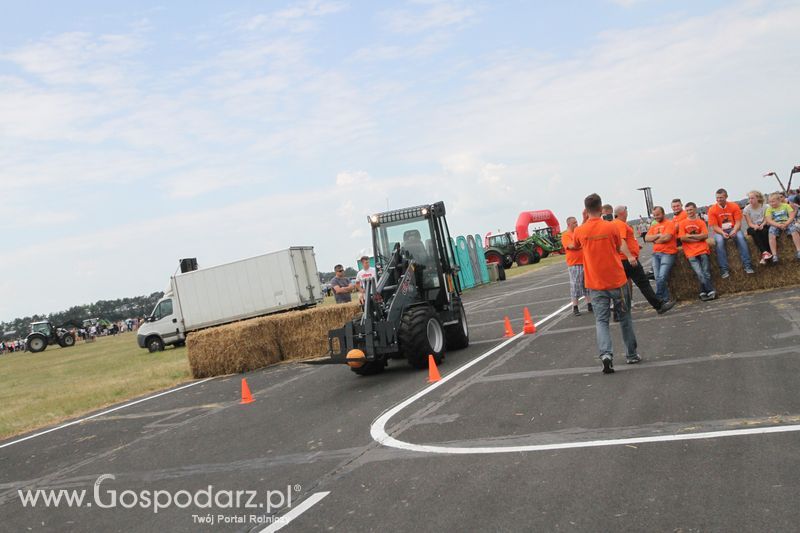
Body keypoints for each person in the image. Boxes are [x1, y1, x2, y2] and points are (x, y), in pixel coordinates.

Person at [574, 193, 640, 373]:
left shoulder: (581, 230)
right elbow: (619, 245)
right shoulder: (611, 227)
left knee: (601, 321)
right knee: (625, 318)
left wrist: (583, 221)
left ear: (586, 210)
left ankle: (606, 355)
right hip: (617, 280)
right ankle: (631, 354)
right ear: (601, 207)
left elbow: (575, 244)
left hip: (595, 283)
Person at [610, 205, 674, 315]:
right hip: (627, 260)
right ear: (622, 213)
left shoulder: (615, 224)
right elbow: (621, 241)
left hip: (622, 259)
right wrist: (630, 256)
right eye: (626, 210)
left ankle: (617, 313)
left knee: (620, 287)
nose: (627, 212)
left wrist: (634, 247)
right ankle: (659, 306)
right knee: (643, 284)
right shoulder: (619, 224)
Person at [707, 188, 754, 278]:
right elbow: (715, 227)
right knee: (720, 242)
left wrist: (734, 230)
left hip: (733, 228)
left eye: (721, 197)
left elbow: (738, 222)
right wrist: (722, 233)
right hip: (720, 231)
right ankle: (724, 269)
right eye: (717, 197)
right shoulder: (712, 209)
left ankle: (747, 265)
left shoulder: (734, 206)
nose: (719, 199)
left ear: (726, 197)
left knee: (741, 238)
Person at [677, 202, 716, 301]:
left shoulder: (701, 222)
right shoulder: (683, 223)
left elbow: (705, 236)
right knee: (699, 272)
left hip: (703, 250)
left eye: (691, 209)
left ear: (695, 209)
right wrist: (698, 238)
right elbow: (682, 238)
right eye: (687, 210)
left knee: (706, 272)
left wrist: (691, 236)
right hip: (691, 253)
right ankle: (710, 290)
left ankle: (703, 292)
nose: (689, 212)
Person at [645, 206, 678, 304]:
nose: (656, 217)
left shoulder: (670, 224)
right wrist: (658, 236)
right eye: (654, 215)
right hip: (656, 254)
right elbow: (646, 238)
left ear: (663, 213)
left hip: (667, 253)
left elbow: (667, 238)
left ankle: (658, 298)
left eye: (658, 215)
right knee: (657, 276)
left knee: (662, 276)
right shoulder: (654, 226)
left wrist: (655, 240)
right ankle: (665, 299)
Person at [562, 216, 592, 316]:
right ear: (569, 224)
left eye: (576, 222)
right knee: (575, 285)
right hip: (574, 264)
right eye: (574, 223)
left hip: (584, 262)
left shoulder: (578, 233)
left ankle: (590, 304)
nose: (576, 224)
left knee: (587, 285)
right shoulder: (566, 235)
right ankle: (575, 307)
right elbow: (571, 246)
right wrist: (581, 244)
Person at [764, 192, 800, 263]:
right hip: (775, 224)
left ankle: (799, 250)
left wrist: (786, 223)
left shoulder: (786, 206)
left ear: (779, 200)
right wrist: (778, 225)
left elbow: (791, 216)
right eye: (770, 202)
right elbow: (769, 220)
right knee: (771, 234)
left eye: (773, 201)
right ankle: (774, 255)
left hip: (787, 222)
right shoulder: (769, 209)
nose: (771, 203)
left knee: (794, 230)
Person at [743, 190, 771, 264]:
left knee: (765, 231)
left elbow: (767, 219)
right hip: (753, 226)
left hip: (764, 224)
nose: (750, 200)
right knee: (754, 232)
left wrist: (762, 225)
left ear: (758, 198)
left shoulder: (766, 206)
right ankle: (765, 252)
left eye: (752, 198)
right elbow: (749, 223)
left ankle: (766, 254)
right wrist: (755, 226)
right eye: (749, 198)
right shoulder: (746, 209)